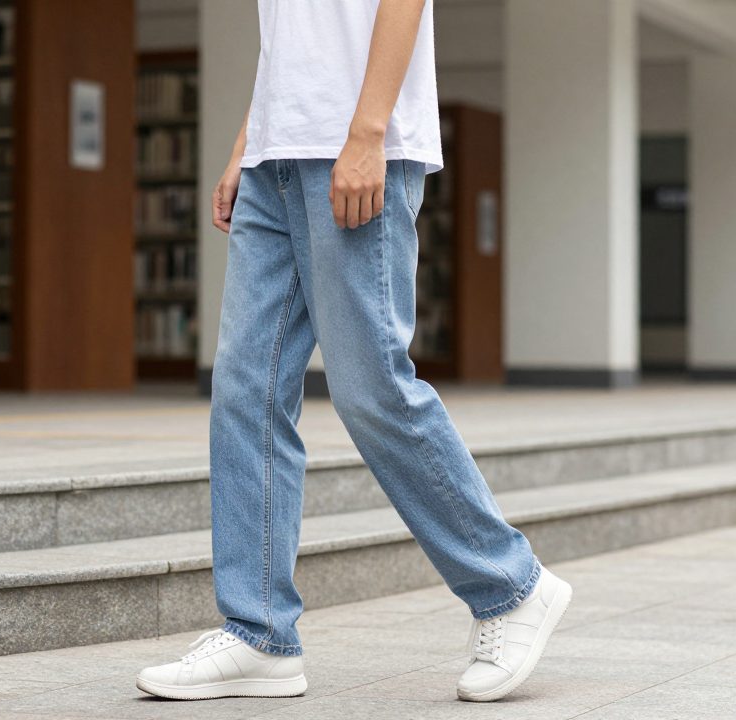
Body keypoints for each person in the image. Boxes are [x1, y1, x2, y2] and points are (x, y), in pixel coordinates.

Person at [136, 0, 571, 703]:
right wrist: (247, 146)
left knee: (372, 388)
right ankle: (259, 633)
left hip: (358, 148)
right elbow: (289, 37)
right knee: (245, 392)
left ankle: (510, 587)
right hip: (274, 161)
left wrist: (367, 133)